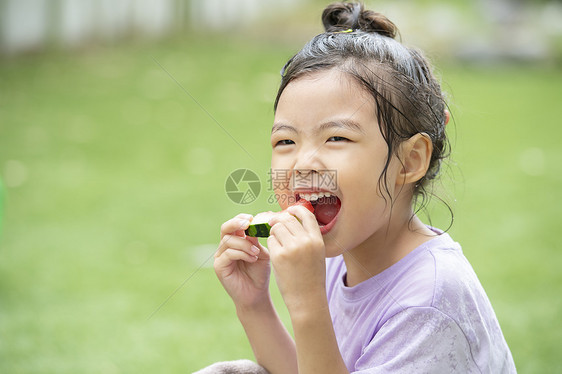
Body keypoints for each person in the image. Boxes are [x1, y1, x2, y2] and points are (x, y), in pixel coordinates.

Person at [203, 2, 516, 373]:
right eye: (285, 142)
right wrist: (252, 305)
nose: (303, 163)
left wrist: (307, 303)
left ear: (411, 160)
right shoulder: (343, 255)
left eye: (336, 137)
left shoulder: (429, 300)